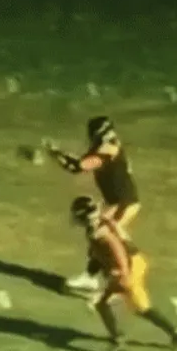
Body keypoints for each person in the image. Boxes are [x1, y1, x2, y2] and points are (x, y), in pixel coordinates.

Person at [70, 195, 177, 351]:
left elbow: (118, 253)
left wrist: (120, 275)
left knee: (103, 304)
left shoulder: (102, 235)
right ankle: (175, 333)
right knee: (140, 307)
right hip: (135, 261)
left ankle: (118, 341)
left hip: (128, 268)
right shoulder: (99, 226)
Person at [45, 116, 140, 290]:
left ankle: (126, 275)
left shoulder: (109, 148)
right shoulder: (105, 146)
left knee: (106, 236)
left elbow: (79, 166)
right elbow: (75, 167)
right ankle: (95, 276)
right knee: (96, 233)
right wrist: (57, 155)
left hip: (124, 202)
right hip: (115, 201)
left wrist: (56, 153)